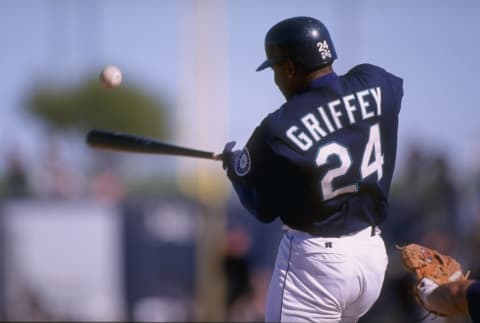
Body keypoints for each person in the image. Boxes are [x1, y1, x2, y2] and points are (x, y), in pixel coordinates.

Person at [218, 16, 403, 322]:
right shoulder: (376, 81)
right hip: (370, 258)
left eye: (276, 69)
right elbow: (388, 96)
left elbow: (263, 209)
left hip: (317, 266)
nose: (276, 78)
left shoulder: (278, 127)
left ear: (290, 68)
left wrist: (236, 171)